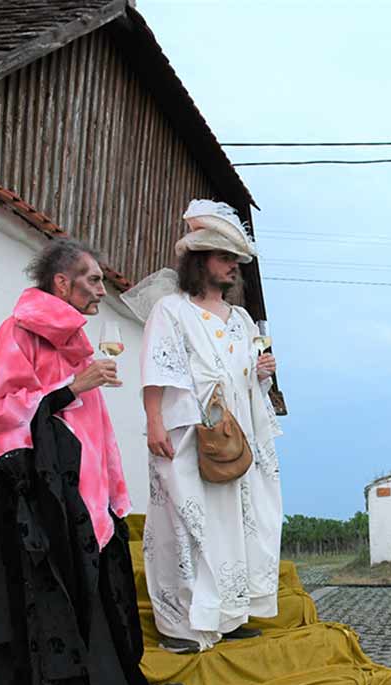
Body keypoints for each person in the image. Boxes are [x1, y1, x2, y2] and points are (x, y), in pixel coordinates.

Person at [0, 240, 267, 685]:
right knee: (24, 619)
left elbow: (83, 426)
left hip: (77, 501)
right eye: (93, 280)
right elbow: (0, 414)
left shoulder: (74, 338)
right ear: (61, 284)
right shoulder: (19, 331)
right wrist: (76, 385)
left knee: (77, 619)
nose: (102, 289)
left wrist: (109, 494)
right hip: (27, 502)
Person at [124, 200, 283, 654]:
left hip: (234, 436)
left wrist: (261, 371)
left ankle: (229, 614)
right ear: (200, 261)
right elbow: (157, 370)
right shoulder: (172, 311)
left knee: (234, 521)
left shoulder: (241, 320)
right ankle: (182, 626)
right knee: (185, 521)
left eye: (236, 260)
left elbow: (241, 374)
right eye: (224, 258)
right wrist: (154, 422)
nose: (233, 267)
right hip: (188, 433)